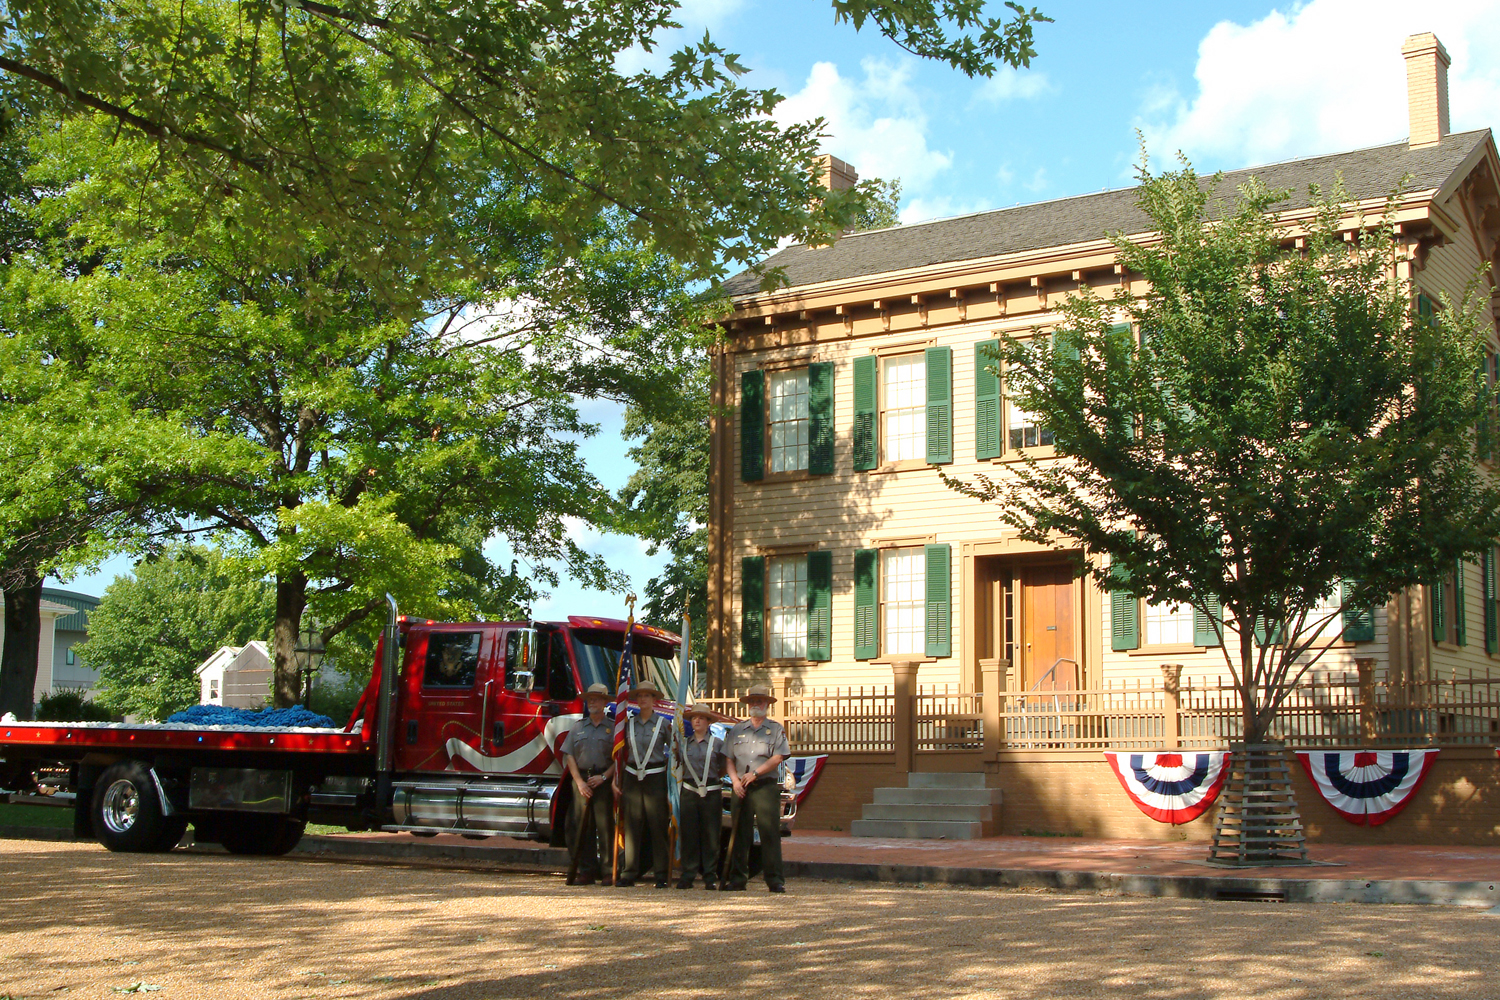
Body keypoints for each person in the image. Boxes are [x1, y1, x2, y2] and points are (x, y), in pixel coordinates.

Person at [724, 684, 791, 893]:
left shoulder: (776, 729)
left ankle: (774, 880)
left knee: (769, 833)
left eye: (759, 701)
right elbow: (728, 759)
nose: (755, 704)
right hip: (741, 788)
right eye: (752, 701)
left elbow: (778, 757)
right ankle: (737, 879)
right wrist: (735, 781)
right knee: (739, 834)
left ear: (767, 705)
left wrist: (755, 773)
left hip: (764, 787)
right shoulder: (737, 729)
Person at [617, 678, 672, 888]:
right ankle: (629, 872)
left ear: (654, 699)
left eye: (647, 696)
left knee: (657, 826)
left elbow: (675, 751)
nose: (642, 699)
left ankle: (661, 874)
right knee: (632, 826)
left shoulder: (663, 724)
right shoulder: (628, 724)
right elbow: (621, 754)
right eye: (639, 696)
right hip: (632, 777)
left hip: (655, 776)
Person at [561, 683, 616, 886]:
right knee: (581, 828)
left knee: (605, 827)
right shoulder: (577, 727)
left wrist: (604, 777)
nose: (592, 702)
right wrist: (579, 782)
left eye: (596, 699)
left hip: (602, 781)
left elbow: (618, 758)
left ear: (604, 702)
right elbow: (569, 756)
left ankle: (609, 871)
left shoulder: (612, 728)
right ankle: (586, 871)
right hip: (581, 781)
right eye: (589, 699)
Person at [675, 705, 726, 890]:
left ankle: (710, 876)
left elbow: (724, 767)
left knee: (711, 835)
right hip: (689, 791)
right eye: (694, 718)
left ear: (708, 722)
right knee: (689, 834)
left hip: (711, 791)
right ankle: (688, 874)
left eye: (702, 718)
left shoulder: (718, 744)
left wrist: (711, 780)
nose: (697, 721)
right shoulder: (684, 744)